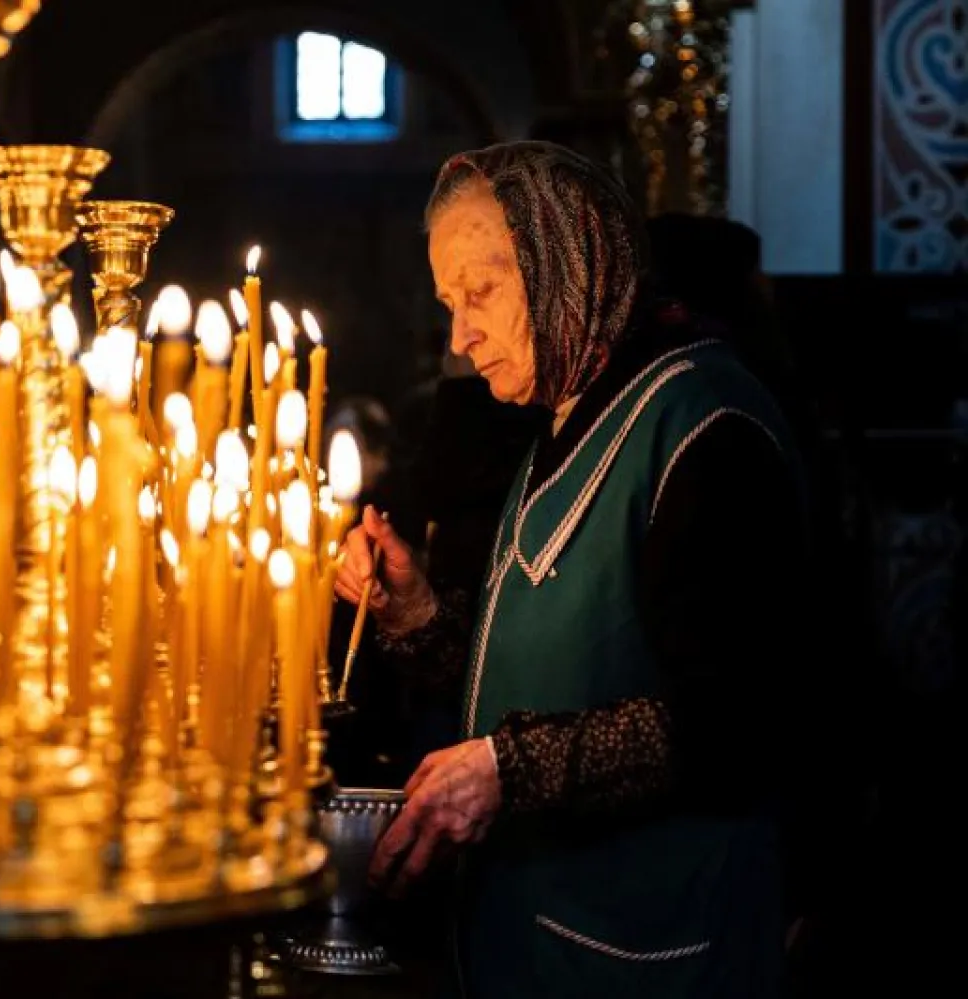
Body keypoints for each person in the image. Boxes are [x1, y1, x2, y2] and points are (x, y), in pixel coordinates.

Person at [335, 141, 812, 998]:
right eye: (449, 303)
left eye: (480, 292)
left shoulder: (705, 427)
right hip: (537, 938)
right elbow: (549, 666)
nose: (460, 333)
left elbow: (736, 721)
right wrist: (417, 617)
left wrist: (508, 771)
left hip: (660, 951)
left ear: (567, 252)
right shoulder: (563, 417)